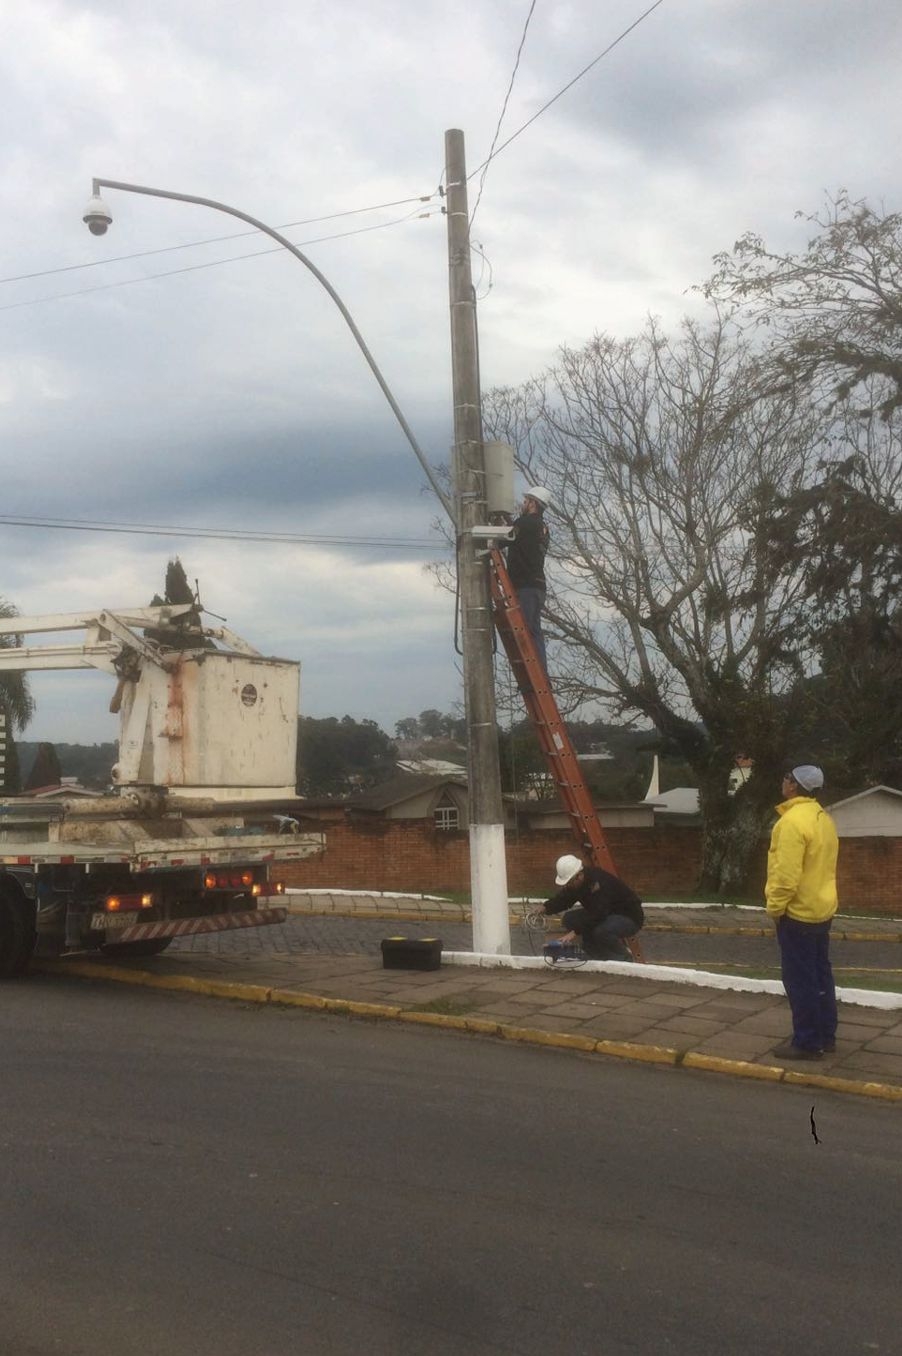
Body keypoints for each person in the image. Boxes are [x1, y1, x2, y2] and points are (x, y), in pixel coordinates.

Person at [765, 765, 839, 1061]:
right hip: (822, 908)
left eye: (786, 778)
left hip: (797, 913)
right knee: (821, 976)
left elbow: (786, 876)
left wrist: (775, 908)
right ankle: (826, 1035)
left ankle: (807, 1042)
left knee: (800, 980)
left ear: (794, 786)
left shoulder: (791, 823)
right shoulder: (824, 819)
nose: (783, 782)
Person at [541, 854, 644, 961]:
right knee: (570, 919)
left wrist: (575, 932)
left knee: (602, 931)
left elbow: (599, 913)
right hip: (606, 913)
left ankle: (623, 958)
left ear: (579, 876)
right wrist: (545, 908)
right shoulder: (577, 884)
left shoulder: (598, 882)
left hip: (628, 916)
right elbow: (564, 899)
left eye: (569, 882)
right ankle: (592, 951)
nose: (567, 886)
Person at [506, 486, 551, 670]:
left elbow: (506, 538)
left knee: (526, 631)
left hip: (525, 586)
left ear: (533, 503)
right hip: (537, 586)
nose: (523, 504)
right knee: (534, 631)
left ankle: (537, 673)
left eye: (526, 501)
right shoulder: (543, 527)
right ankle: (541, 673)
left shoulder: (524, 524)